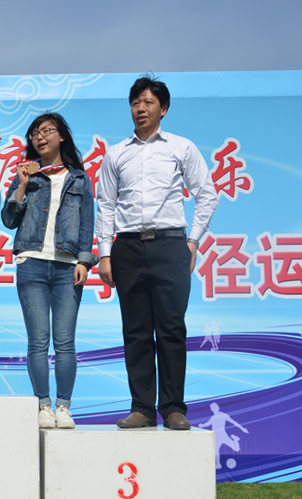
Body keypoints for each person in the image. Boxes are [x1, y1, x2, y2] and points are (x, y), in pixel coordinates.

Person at [96, 75, 219, 430]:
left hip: (170, 245)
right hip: (127, 247)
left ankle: (174, 408)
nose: (141, 108)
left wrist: (192, 241)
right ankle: (142, 408)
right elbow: (106, 204)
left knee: (171, 329)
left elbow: (207, 194)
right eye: (136, 102)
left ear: (163, 109)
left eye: (148, 102)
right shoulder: (117, 153)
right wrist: (104, 253)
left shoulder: (181, 148)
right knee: (135, 331)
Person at [1, 113, 96, 429]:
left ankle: (64, 407)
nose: (40, 137)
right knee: (37, 341)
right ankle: (42, 405)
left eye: (46, 131)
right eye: (34, 134)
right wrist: (21, 186)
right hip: (31, 263)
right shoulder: (27, 175)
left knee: (65, 341)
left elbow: (87, 224)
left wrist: (84, 261)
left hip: (68, 266)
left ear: (62, 136)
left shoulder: (79, 179)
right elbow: (9, 220)